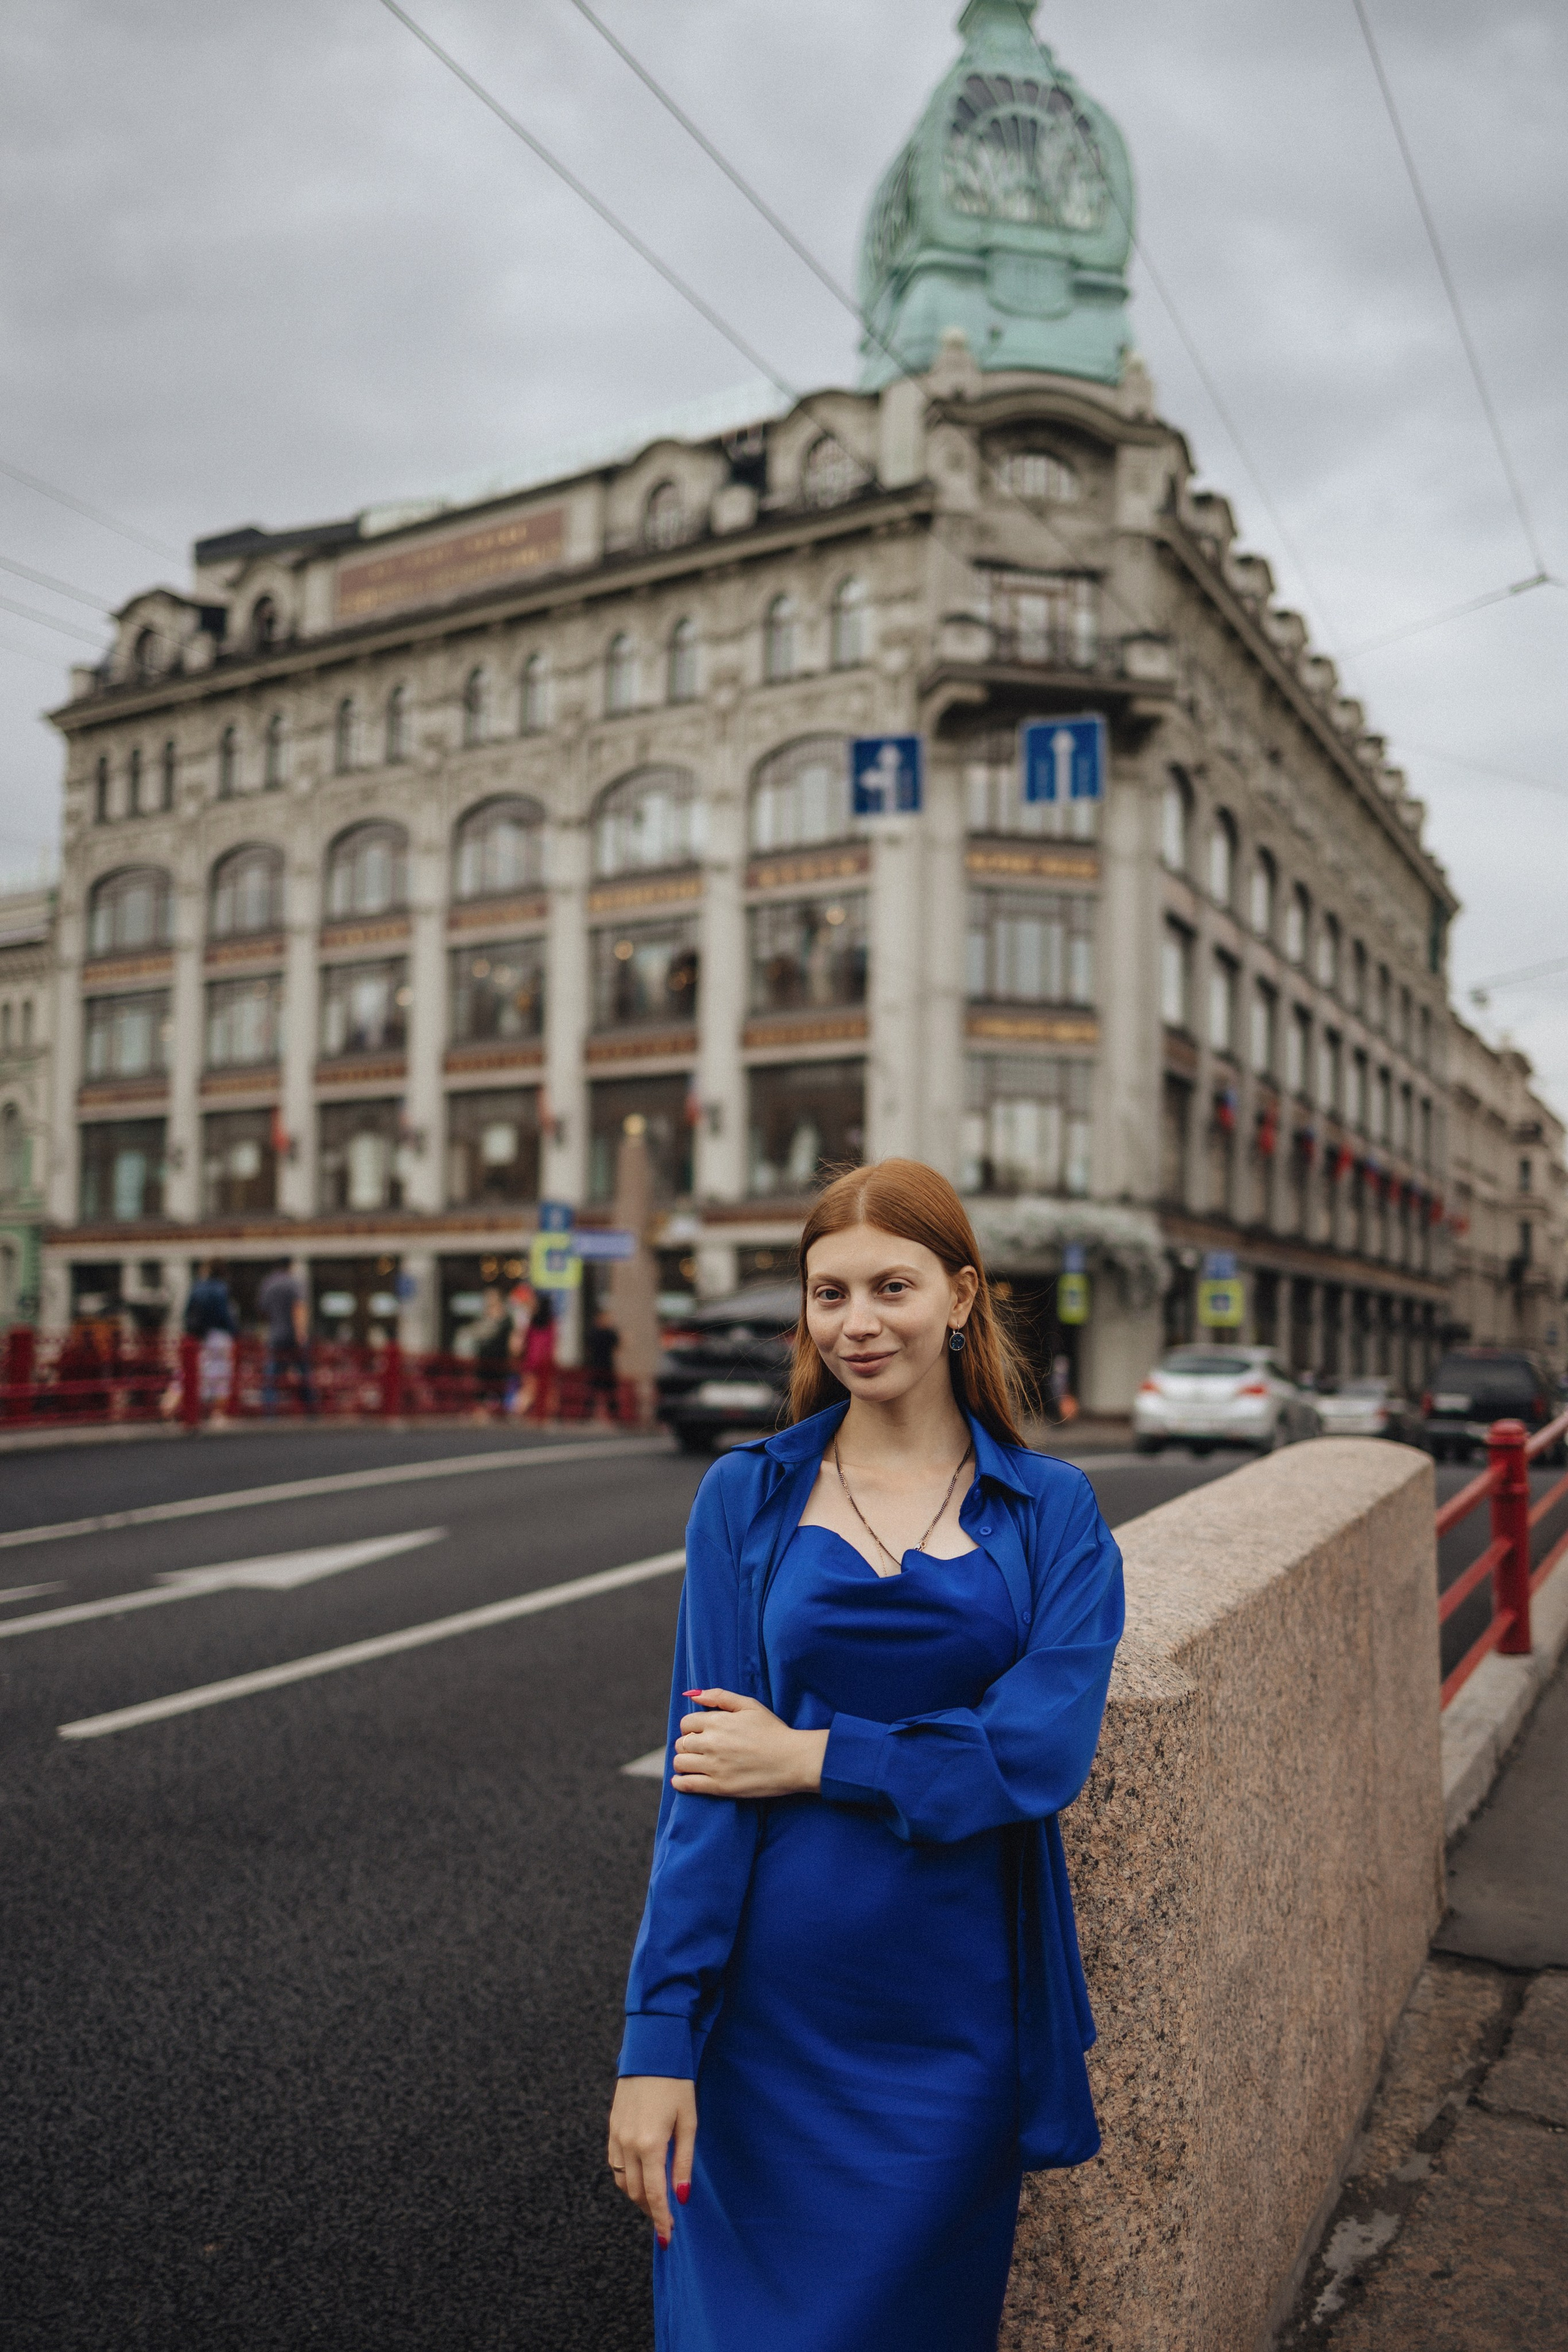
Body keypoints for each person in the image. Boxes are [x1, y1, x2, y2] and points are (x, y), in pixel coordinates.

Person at [608, 1159, 1125, 2352]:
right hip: (763, 2023)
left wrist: (808, 1760)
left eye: (888, 1286)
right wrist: (657, 2037)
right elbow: (701, 1791)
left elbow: (1034, 1751)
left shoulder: (1050, 1513)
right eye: (826, 1294)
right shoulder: (745, 1498)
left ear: (958, 1297)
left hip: (951, 2025)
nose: (855, 1322)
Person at [257, 1259, 315, 1416]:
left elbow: (263, 1312)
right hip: (293, 1336)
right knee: (304, 1373)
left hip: (275, 1336)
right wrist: (301, 1334)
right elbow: (299, 1308)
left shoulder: (268, 1284)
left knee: (272, 1376)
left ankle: (269, 1413)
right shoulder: (293, 1283)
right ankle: (311, 1412)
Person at [184, 1260, 238, 1424]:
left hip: (199, 1337)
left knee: (199, 1372)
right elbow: (225, 1315)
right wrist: (235, 1331)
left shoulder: (197, 1287)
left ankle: (194, 1412)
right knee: (221, 1375)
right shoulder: (221, 1289)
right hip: (218, 1335)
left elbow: (187, 1313)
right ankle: (217, 1413)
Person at [470, 1285, 513, 1417]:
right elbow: (475, 1333)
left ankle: (499, 1412)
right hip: (484, 1360)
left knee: (498, 1387)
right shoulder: (484, 1317)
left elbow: (509, 1340)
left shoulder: (506, 1319)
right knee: (482, 1388)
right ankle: (483, 1412)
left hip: (499, 1360)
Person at [514, 1294, 556, 1420]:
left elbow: (525, 1341)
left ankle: (521, 1412)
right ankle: (541, 1416)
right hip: (544, 1361)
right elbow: (552, 1343)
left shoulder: (533, 1322)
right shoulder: (550, 1323)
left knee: (529, 1389)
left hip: (531, 1360)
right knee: (544, 1391)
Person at [585, 1303, 621, 1423]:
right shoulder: (610, 1333)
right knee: (609, 1392)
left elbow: (588, 1349)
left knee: (594, 1392)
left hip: (597, 1365)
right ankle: (614, 1416)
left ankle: (588, 1415)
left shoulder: (593, 1332)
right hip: (606, 1365)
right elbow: (617, 1347)